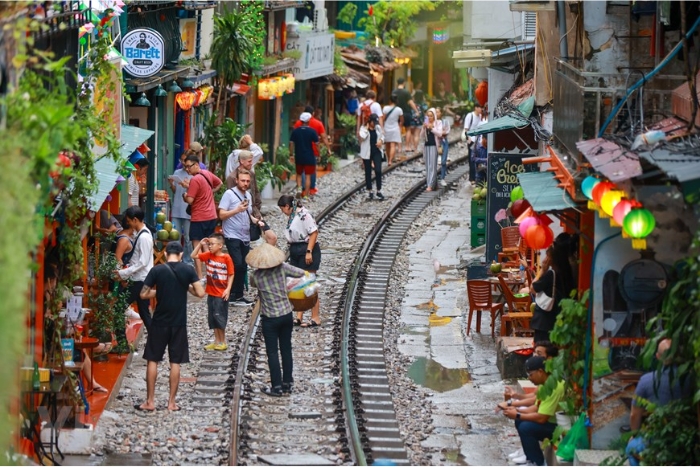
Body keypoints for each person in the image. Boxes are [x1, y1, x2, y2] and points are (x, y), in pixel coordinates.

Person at [136, 242, 205, 412]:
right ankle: (171, 403)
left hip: (159, 322)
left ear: (166, 255)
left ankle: (150, 401)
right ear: (181, 254)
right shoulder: (188, 270)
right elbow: (200, 293)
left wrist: (159, 292)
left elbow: (143, 294)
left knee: (153, 360)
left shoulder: (157, 270)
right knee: (175, 362)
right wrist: (185, 287)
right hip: (178, 323)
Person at [246, 243, 307, 397]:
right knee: (286, 348)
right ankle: (288, 383)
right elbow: (301, 273)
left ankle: (277, 387)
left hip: (270, 318)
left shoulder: (256, 276)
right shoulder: (283, 268)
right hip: (286, 314)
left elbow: (253, 285)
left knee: (272, 352)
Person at [626, 338, 692, 466]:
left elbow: (634, 415)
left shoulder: (646, 381)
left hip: (654, 441)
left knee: (631, 448)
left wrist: (634, 435)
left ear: (657, 357)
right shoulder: (690, 379)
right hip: (684, 440)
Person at [501, 356, 566, 466]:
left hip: (559, 427)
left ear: (540, 372)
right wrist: (515, 410)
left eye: (531, 375)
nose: (529, 378)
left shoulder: (555, 387)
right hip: (550, 422)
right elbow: (536, 407)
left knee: (526, 427)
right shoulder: (546, 384)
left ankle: (538, 462)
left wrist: (517, 414)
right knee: (520, 422)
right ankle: (530, 457)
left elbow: (541, 418)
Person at [277, 195, 321, 327]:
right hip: (295, 249)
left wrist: (309, 252)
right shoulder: (292, 216)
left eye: (282, 209)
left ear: (287, 206)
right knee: (297, 284)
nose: (282, 212)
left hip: (306, 249)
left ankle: (315, 317)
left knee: (310, 283)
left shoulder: (304, 215)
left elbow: (314, 232)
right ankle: (299, 316)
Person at [182, 154, 223, 280]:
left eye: (189, 166)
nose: (187, 169)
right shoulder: (207, 174)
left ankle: (200, 276)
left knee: (197, 246)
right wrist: (210, 192)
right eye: (186, 167)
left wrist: (185, 193)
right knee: (208, 245)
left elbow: (189, 200)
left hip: (199, 217)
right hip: (211, 216)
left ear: (196, 165)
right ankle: (211, 275)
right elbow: (219, 183)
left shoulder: (195, 180)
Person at [191, 233, 234, 351]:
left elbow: (231, 274)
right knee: (213, 317)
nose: (210, 246)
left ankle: (222, 341)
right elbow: (193, 255)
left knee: (220, 316)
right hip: (211, 292)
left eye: (212, 244)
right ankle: (216, 341)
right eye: (209, 244)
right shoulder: (208, 255)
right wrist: (200, 244)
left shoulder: (226, 258)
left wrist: (228, 289)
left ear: (220, 245)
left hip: (221, 293)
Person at [219, 168, 254, 307]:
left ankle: (238, 295)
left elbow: (247, 213)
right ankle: (232, 293)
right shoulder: (229, 194)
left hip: (245, 236)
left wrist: (256, 221)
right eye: (243, 181)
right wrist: (236, 210)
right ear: (236, 180)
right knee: (237, 264)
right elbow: (221, 215)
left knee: (243, 265)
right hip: (231, 234)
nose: (245, 183)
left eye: (247, 181)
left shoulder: (248, 196)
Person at [115, 206, 153, 330]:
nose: (128, 223)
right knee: (144, 313)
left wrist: (123, 273)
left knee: (119, 307)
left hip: (140, 280)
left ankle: (122, 344)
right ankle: (156, 338)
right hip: (140, 279)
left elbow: (143, 262)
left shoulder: (144, 237)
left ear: (135, 220)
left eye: (129, 220)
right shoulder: (141, 235)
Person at [530, 245, 576, 342]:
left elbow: (533, 288)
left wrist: (542, 270)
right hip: (557, 317)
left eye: (548, 256)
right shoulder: (566, 273)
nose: (545, 259)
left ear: (553, 259)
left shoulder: (551, 274)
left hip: (545, 320)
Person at [293, 106, 332, 196]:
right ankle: (311, 188)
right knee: (311, 171)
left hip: (299, 150)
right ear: (313, 113)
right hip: (312, 151)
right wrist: (328, 149)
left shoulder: (298, 123)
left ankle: (302, 188)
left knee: (301, 171)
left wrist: (291, 153)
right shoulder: (318, 123)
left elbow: (294, 136)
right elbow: (324, 137)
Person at [169, 151, 194, 264]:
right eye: (182, 160)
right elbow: (175, 191)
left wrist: (188, 185)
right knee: (176, 236)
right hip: (177, 208)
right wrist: (171, 184)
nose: (183, 163)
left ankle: (188, 260)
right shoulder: (177, 172)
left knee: (188, 238)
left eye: (185, 160)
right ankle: (176, 259)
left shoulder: (194, 175)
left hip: (188, 210)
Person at [289, 112, 319, 198]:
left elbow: (291, 143)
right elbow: (317, 144)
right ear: (309, 121)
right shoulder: (312, 131)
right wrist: (318, 154)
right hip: (309, 156)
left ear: (301, 121)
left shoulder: (295, 131)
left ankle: (299, 189)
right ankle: (305, 194)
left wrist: (291, 154)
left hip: (299, 156)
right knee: (308, 176)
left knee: (298, 174)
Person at [359, 114, 385, 201]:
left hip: (377, 151)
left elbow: (382, 136)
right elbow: (362, 137)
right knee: (368, 172)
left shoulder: (378, 128)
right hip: (367, 153)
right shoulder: (363, 129)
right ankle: (370, 190)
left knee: (378, 170)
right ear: (370, 121)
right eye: (374, 122)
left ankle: (379, 190)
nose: (375, 124)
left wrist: (381, 141)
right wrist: (366, 129)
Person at [392, 78, 419, 154]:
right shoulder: (406, 92)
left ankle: (399, 147)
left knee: (398, 129)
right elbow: (411, 102)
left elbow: (392, 103)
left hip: (396, 113)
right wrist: (416, 111)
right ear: (404, 83)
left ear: (397, 83)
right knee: (408, 130)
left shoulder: (394, 92)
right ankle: (407, 147)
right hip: (406, 113)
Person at [419, 108, 443, 192]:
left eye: (431, 116)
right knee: (427, 166)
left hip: (434, 146)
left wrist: (431, 128)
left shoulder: (438, 123)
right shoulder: (426, 124)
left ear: (434, 116)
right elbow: (421, 136)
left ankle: (430, 185)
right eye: (428, 116)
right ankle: (434, 184)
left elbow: (440, 133)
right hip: (426, 146)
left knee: (432, 166)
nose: (429, 118)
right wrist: (423, 127)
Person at [463, 102, 484, 185]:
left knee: (477, 159)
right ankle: (472, 178)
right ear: (476, 107)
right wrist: (468, 138)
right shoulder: (470, 115)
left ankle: (477, 176)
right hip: (471, 140)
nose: (481, 109)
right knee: (472, 160)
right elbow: (466, 128)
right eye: (480, 107)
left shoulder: (480, 117)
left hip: (478, 141)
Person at [381, 94, 403, 166]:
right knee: (393, 145)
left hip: (386, 128)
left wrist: (382, 128)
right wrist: (400, 127)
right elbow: (401, 120)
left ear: (390, 100)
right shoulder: (399, 109)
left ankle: (388, 159)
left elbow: (383, 119)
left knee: (387, 144)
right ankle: (390, 160)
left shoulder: (385, 108)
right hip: (395, 128)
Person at [436, 107, 451, 186]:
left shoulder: (445, 122)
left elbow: (447, 131)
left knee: (443, 161)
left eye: (438, 112)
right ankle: (434, 179)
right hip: (435, 142)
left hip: (443, 142)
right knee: (434, 161)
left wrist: (440, 133)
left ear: (441, 113)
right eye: (435, 112)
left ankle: (442, 178)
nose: (437, 113)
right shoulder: (433, 122)